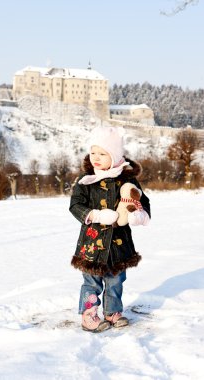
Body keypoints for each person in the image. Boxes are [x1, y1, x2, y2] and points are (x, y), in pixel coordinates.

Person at [69, 126, 151, 333]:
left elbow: (141, 200)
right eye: (93, 152)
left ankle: (112, 312)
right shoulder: (86, 180)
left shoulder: (127, 181)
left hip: (118, 243)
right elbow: (75, 204)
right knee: (91, 282)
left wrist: (139, 214)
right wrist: (94, 215)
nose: (96, 157)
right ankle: (89, 314)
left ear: (114, 156)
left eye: (102, 154)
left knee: (115, 280)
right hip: (92, 243)